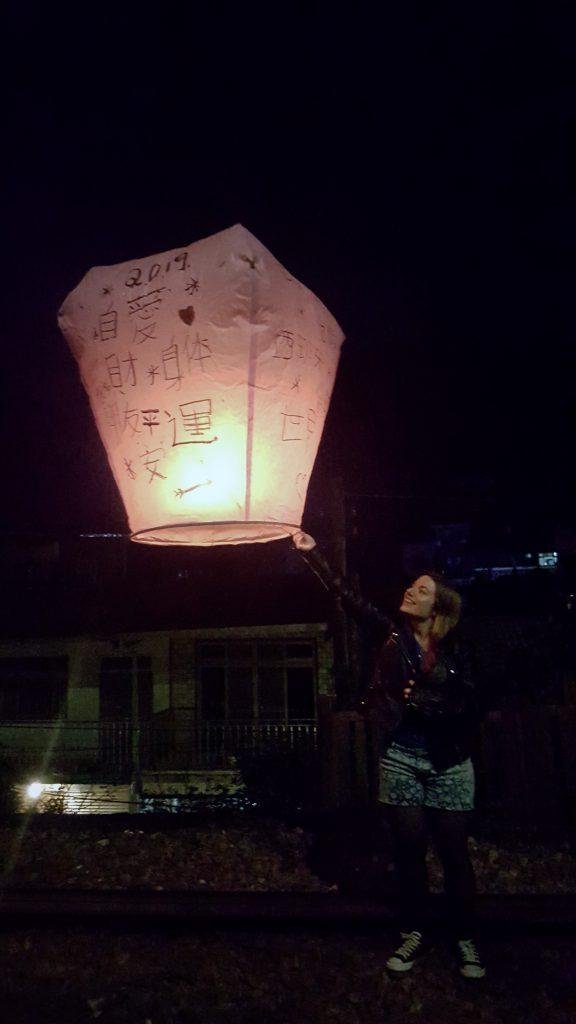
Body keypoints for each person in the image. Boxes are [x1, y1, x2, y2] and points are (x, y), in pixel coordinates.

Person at [292, 531, 486, 980]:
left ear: (438, 609)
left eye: (422, 591)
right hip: (401, 757)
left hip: (450, 762)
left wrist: (437, 701)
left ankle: (464, 938)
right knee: (410, 850)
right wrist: (312, 555)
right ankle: (414, 932)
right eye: (412, 586)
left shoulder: (459, 649)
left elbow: (473, 700)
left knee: (454, 854)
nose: (411, 592)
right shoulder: (391, 637)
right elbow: (347, 598)